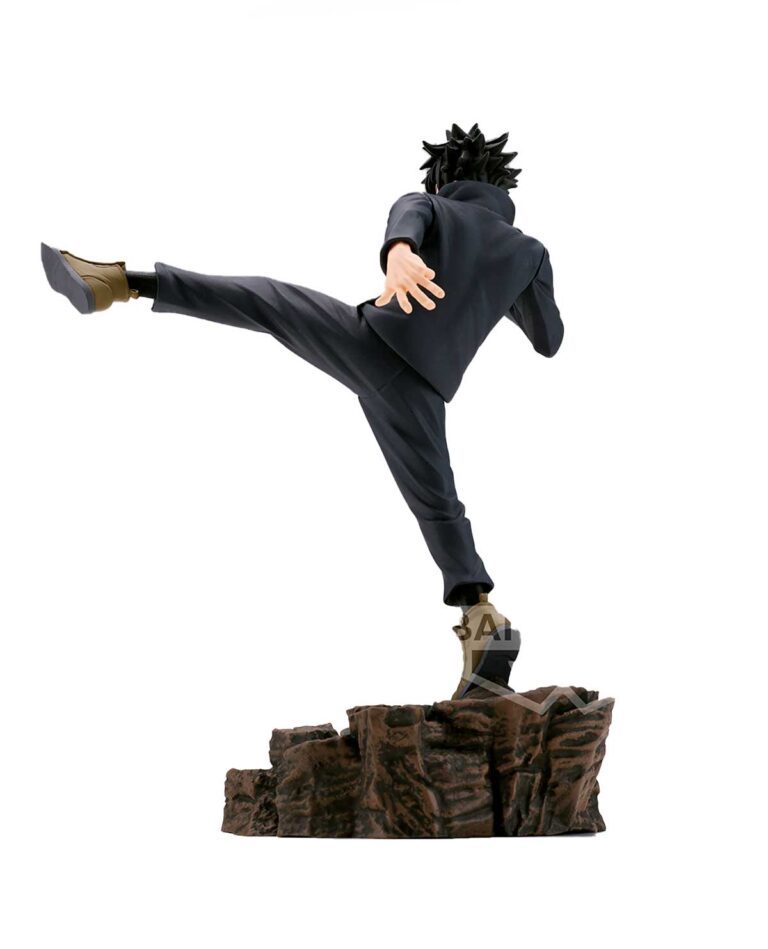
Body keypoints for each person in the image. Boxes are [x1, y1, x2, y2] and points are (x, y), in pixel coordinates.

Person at [41, 123, 563, 699]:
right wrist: (497, 284)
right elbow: (548, 339)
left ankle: (120, 282)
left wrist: (399, 255)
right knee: (438, 505)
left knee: (267, 301)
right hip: (423, 391)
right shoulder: (530, 253)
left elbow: (406, 223)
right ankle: (482, 616)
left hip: (374, 344)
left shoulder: (430, 205)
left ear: (443, 178)